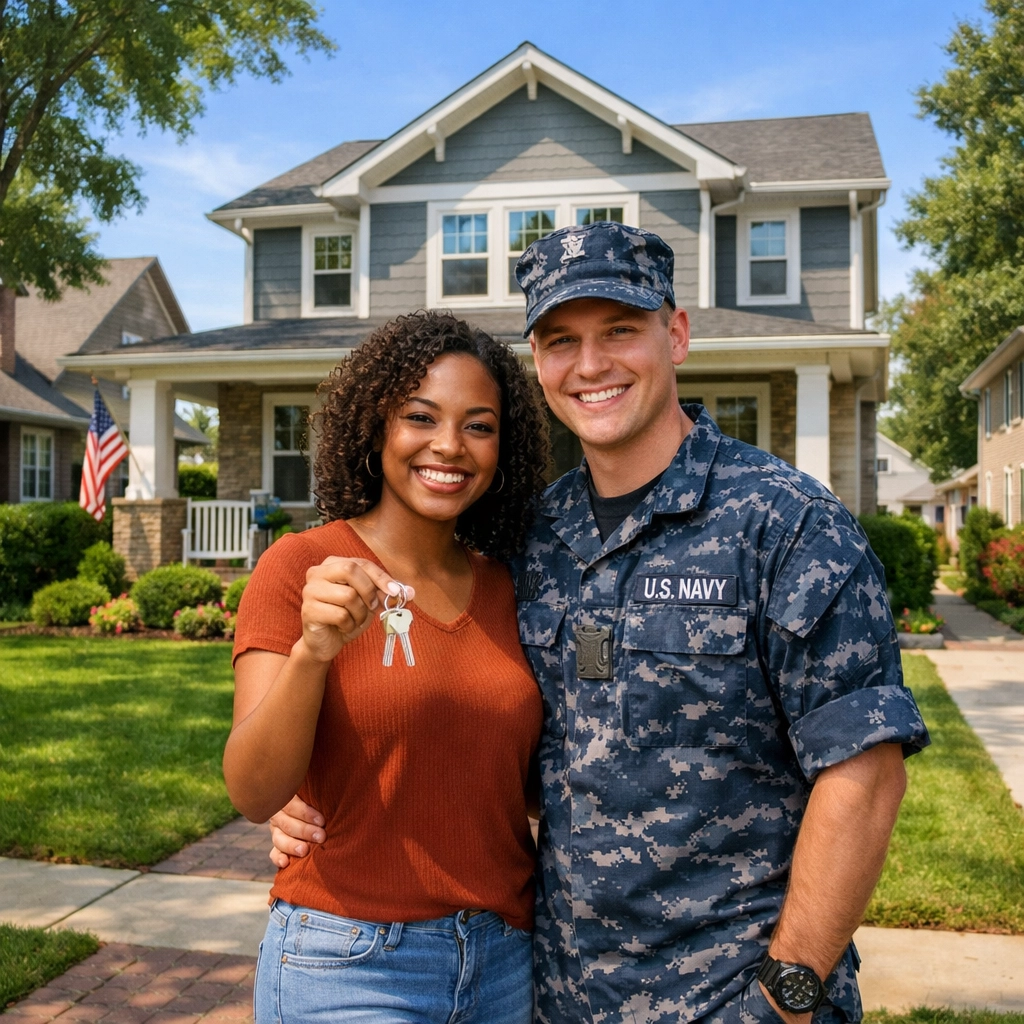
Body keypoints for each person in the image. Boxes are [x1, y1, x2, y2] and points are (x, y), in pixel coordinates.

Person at [269, 224, 930, 1024]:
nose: (590, 365)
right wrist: (322, 793)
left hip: (732, 996)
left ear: (676, 333)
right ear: (538, 363)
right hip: (554, 992)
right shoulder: (529, 540)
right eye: (560, 340)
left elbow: (864, 769)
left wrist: (788, 992)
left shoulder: (785, 524)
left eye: (620, 329)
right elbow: (494, 730)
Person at [223, 311, 550, 1024]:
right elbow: (253, 790)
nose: (449, 446)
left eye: (479, 425)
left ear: (505, 446)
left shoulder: (511, 586)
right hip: (349, 961)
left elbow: (523, 782)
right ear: (377, 426)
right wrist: (315, 650)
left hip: (504, 961)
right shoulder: (300, 567)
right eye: (421, 417)